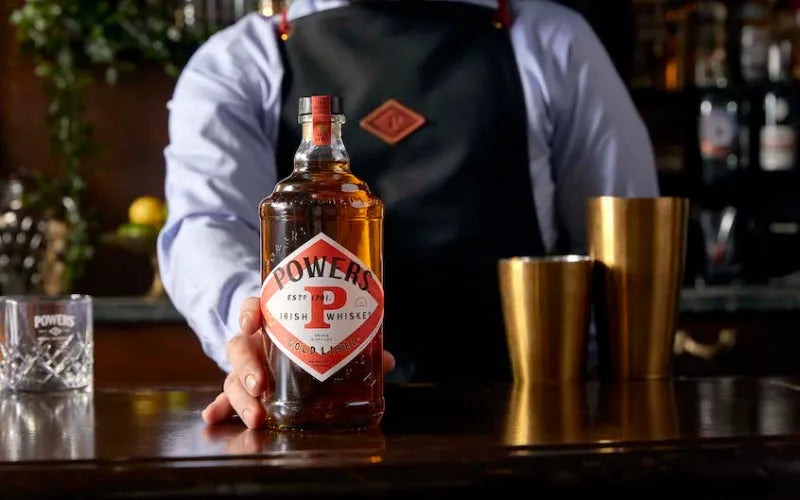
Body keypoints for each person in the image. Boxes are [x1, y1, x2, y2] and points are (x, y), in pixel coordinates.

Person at [158, 0, 659, 429]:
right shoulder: (237, 62)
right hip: (316, 421)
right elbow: (207, 228)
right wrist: (254, 330)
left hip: (529, 418)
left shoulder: (555, 42)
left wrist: (599, 400)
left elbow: (627, 240)